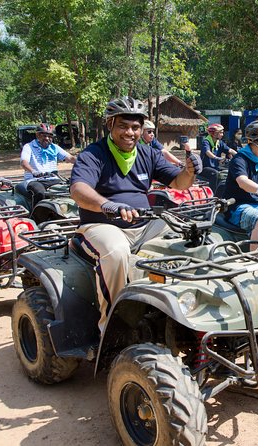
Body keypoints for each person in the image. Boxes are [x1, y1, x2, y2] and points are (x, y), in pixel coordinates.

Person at [70, 96, 202, 331]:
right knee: (116, 252)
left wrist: (189, 171)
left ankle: (187, 310)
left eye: (135, 127)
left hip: (144, 224)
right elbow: (78, 190)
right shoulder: (93, 155)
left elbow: (178, 182)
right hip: (101, 226)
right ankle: (113, 326)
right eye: (123, 126)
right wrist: (107, 205)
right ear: (110, 124)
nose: (130, 132)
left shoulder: (147, 154)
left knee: (190, 238)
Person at [17, 123, 76, 209]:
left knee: (69, 190)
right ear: (37, 135)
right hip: (35, 180)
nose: (47, 138)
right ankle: (36, 217)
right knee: (40, 192)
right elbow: (24, 162)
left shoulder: (54, 148)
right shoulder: (29, 147)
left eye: (50, 136)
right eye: (43, 135)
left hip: (53, 179)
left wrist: (84, 162)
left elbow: (70, 158)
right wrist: (34, 171)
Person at [199, 123, 236, 191]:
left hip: (215, 167)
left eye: (222, 133)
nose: (222, 134)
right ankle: (213, 194)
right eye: (220, 133)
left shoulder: (219, 142)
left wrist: (240, 155)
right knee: (215, 174)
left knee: (227, 172)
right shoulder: (206, 142)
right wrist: (217, 158)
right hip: (204, 168)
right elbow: (208, 152)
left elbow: (229, 150)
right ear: (214, 133)